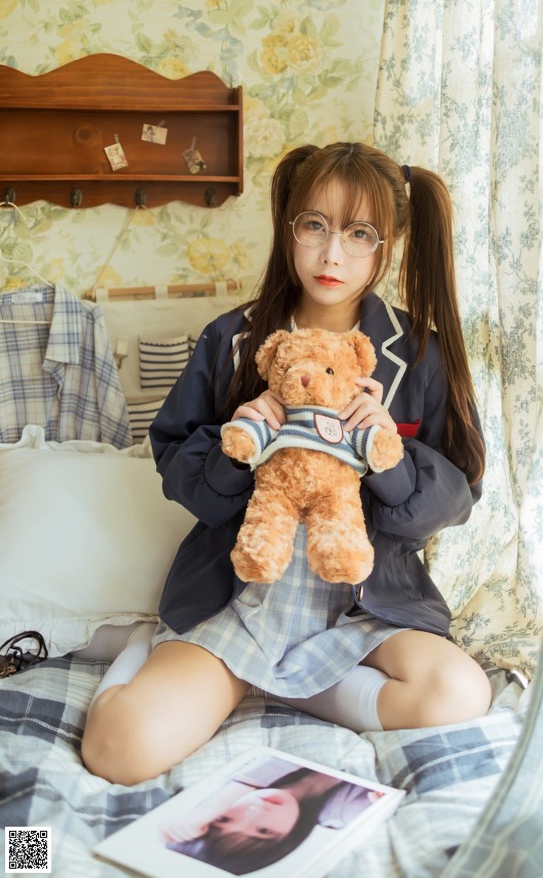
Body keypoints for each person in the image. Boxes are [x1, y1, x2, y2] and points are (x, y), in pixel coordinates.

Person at [81, 141, 491, 787]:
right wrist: (237, 442)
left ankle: (296, 685)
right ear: (290, 226)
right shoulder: (232, 339)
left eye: (360, 234)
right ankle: (165, 652)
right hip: (240, 598)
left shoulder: (420, 354)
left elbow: (455, 497)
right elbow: (173, 462)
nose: (333, 254)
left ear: (390, 243)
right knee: (118, 749)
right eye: (315, 226)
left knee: (460, 693)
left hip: (365, 608)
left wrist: (388, 453)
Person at [162, 760, 379, 874]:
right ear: (286, 840)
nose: (257, 812)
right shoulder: (341, 815)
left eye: (223, 819)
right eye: (263, 831)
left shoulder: (239, 778)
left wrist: (209, 808)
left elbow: (276, 761)